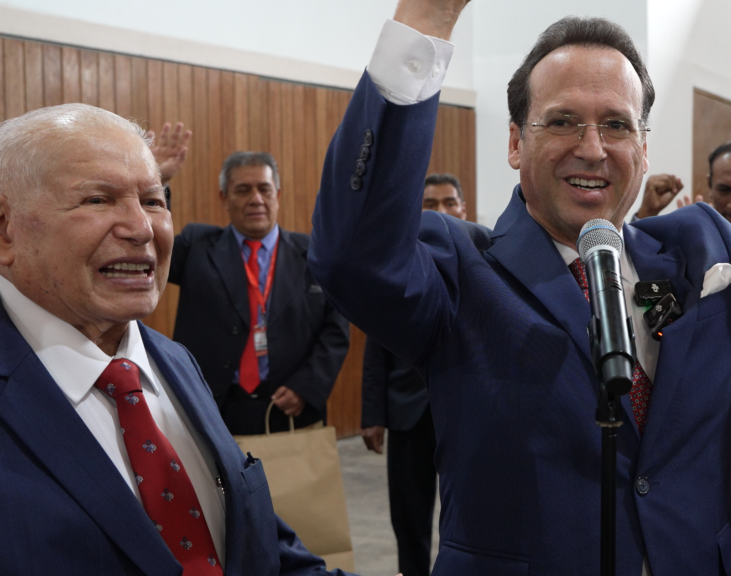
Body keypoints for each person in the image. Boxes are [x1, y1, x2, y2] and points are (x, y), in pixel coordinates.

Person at [308, 0, 731, 572]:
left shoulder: (706, 254)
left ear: (643, 146)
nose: (592, 148)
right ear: (515, 143)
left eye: (616, 125)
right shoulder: (462, 270)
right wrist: (428, 16)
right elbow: (353, 257)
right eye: (562, 121)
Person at [0, 103, 350, 575]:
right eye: (98, 200)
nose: (142, 229)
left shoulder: (175, 362)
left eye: (153, 200)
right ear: (6, 230)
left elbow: (258, 551)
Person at [169, 151, 349, 434]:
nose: (256, 199)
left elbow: (336, 330)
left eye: (264, 189)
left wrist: (307, 386)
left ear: (277, 194)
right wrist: (157, 183)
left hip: (290, 409)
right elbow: (150, 250)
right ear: (224, 198)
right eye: (243, 190)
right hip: (210, 409)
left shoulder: (315, 255)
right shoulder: (195, 246)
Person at [361, 173, 467, 576]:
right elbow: (376, 349)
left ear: (463, 209)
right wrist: (373, 414)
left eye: (449, 202)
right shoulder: (394, 268)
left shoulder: (486, 262)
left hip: (466, 412)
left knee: (470, 519)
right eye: (429, 204)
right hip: (409, 413)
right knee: (409, 520)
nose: (441, 211)